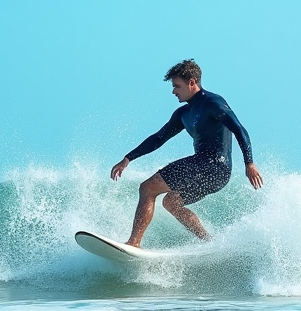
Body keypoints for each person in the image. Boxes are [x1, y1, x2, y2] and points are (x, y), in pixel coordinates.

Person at [111, 59, 263, 247]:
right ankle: (208, 242)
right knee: (171, 202)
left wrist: (249, 163)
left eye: (177, 86)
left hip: (211, 165)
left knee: (147, 188)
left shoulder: (213, 103)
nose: (174, 91)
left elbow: (240, 129)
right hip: (218, 175)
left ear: (192, 83)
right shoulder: (183, 114)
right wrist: (128, 158)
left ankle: (134, 242)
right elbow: (158, 138)